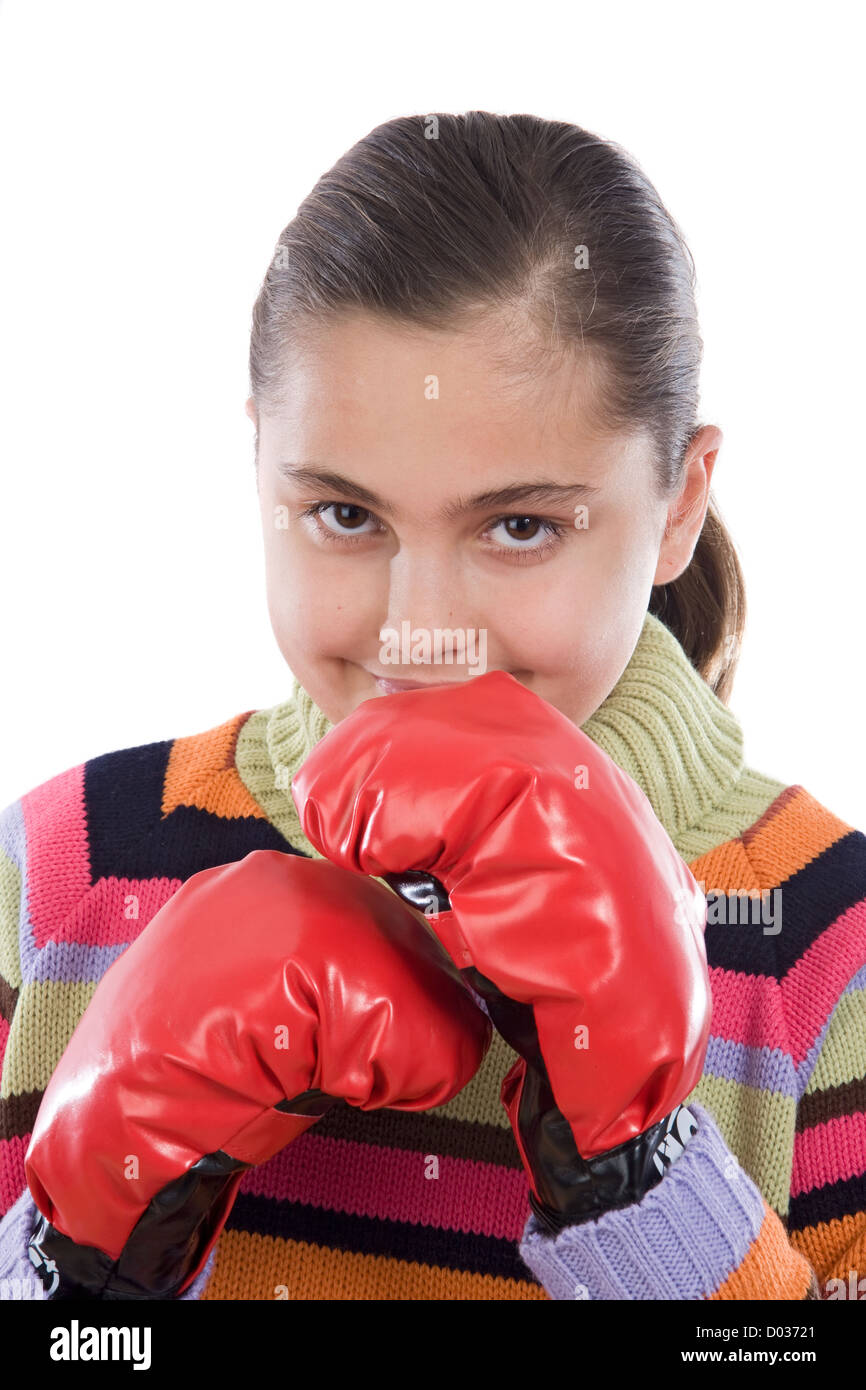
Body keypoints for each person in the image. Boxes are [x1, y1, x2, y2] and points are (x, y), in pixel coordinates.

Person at [1, 110, 864, 1301]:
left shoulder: (835, 949)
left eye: (520, 526)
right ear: (262, 471)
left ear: (676, 502)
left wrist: (640, 1177)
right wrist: (77, 1266)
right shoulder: (61, 872)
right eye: (346, 516)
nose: (418, 629)